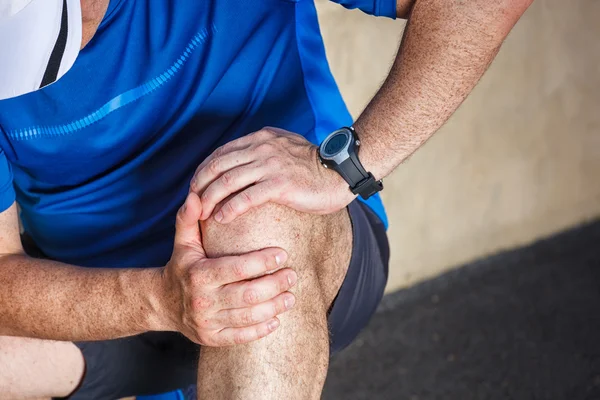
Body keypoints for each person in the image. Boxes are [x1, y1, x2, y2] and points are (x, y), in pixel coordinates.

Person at [0, 0, 533, 398]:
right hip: (117, 302)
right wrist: (161, 299)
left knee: (247, 210)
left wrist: (347, 166)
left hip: (290, 262)